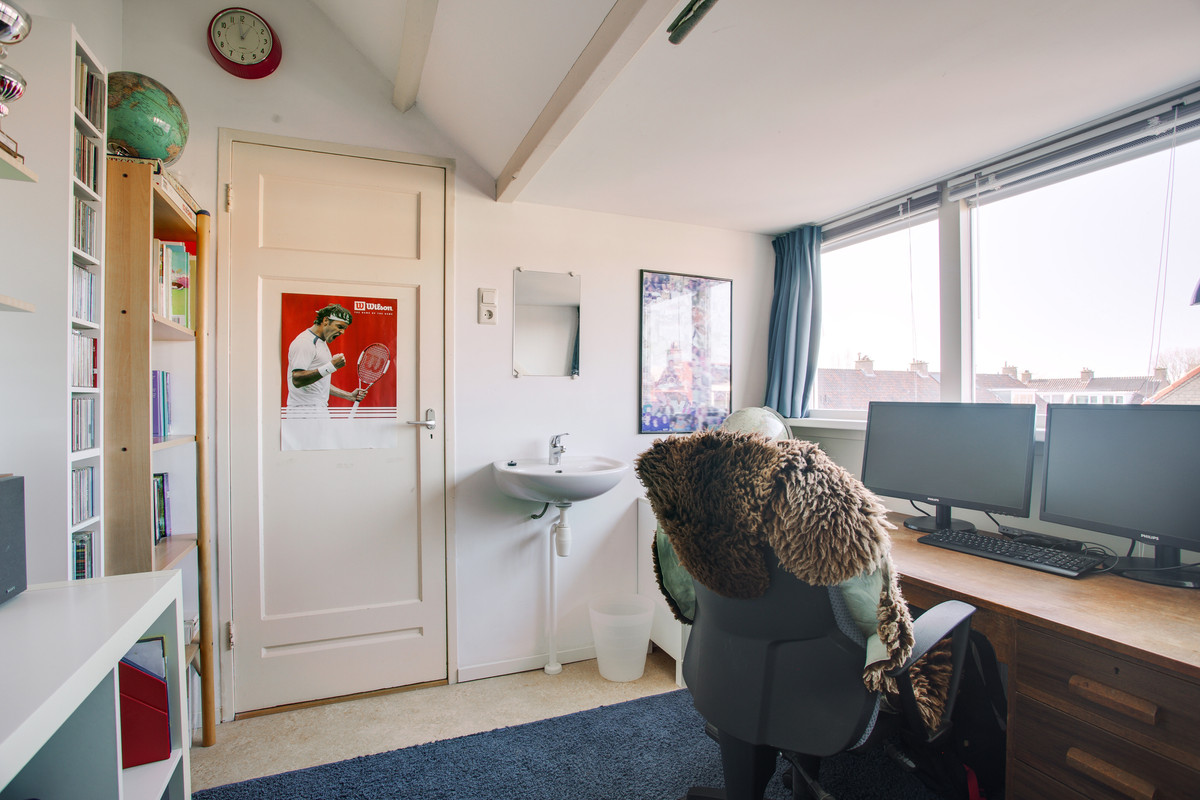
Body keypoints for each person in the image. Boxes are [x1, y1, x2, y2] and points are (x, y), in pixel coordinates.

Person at [286, 303, 368, 415]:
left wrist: (348, 396)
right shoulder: (305, 342)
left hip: (317, 409)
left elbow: (318, 383)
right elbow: (297, 380)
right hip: (304, 412)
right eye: (340, 327)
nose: (342, 332)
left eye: (344, 329)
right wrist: (331, 366)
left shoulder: (321, 342)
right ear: (325, 320)